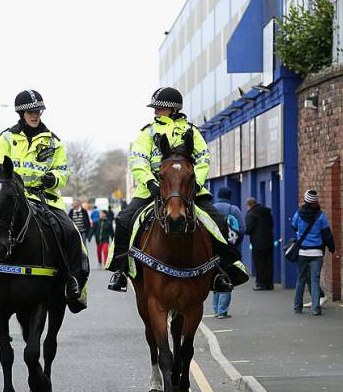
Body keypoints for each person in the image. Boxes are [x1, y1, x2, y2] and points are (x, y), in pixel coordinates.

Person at [107, 86, 246, 293]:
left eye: (159, 108)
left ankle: (224, 269)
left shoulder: (192, 131)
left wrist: (195, 184)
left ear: (172, 109)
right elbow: (138, 161)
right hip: (152, 190)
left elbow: (203, 159)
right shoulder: (147, 133)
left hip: (188, 190)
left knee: (218, 222)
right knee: (124, 220)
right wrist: (150, 183)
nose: (155, 112)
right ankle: (120, 269)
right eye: (155, 108)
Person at [0, 89, 89, 303]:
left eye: (38, 111)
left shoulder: (54, 142)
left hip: (43, 197)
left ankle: (73, 279)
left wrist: (52, 179)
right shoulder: (6, 138)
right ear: (21, 114)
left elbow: (63, 172)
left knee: (70, 231)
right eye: (30, 112)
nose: (35, 115)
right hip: (11, 196)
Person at [291, 190, 335, 316]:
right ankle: (316, 308)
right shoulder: (320, 216)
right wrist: (332, 248)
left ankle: (297, 306)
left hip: (303, 252)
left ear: (305, 200)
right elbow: (327, 235)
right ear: (315, 201)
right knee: (315, 279)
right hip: (317, 253)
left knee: (301, 279)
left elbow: (293, 226)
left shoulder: (298, 214)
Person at [212, 187, 245, 319]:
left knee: (215, 277)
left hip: (213, 249)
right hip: (229, 249)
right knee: (227, 277)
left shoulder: (211, 208)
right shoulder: (233, 209)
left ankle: (215, 309)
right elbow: (242, 228)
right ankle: (222, 311)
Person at [245, 197, 275, 290]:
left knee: (259, 263)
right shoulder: (267, 212)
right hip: (269, 241)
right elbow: (272, 225)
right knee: (269, 263)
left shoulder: (251, 214)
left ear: (249, 205)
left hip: (257, 243)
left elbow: (249, 229)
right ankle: (269, 283)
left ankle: (261, 283)